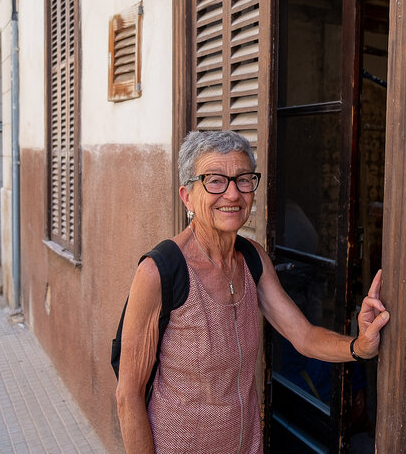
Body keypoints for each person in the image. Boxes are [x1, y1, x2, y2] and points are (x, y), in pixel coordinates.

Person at [115, 130, 390, 453]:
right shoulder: (159, 271)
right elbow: (128, 395)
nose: (233, 194)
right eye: (215, 180)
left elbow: (303, 335)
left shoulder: (253, 259)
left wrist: (359, 347)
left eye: (243, 179)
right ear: (187, 196)